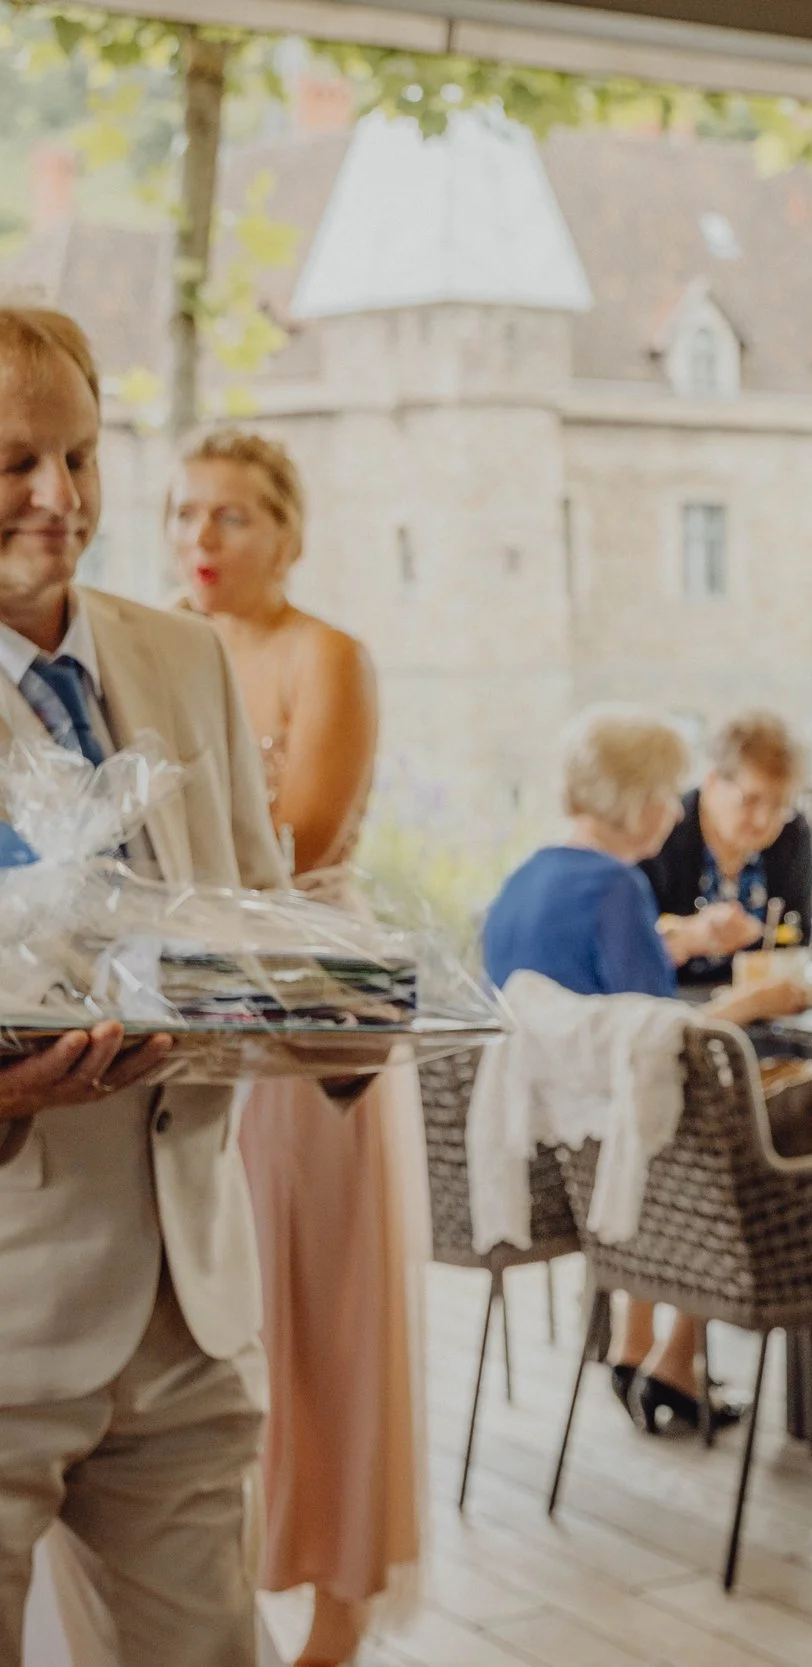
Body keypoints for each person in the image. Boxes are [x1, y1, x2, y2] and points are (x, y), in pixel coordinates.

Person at [0, 307, 283, 1667]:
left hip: (187, 1310)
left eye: (80, 458)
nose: (59, 502)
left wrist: (340, 1023)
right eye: (11, 465)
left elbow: (264, 908)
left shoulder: (183, 656)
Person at [172, 429, 423, 1667]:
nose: (199, 542)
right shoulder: (155, 647)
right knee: (215, 1310)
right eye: (182, 514)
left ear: (287, 530)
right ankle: (214, 1585)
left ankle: (337, 1607)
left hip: (312, 1014)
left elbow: (294, 840)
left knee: (321, 1306)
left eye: (228, 516)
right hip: (186, 1018)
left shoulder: (329, 656)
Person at [480, 706, 810, 1434]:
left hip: (564, 1153)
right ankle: (670, 1361)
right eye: (667, 791)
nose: (676, 809)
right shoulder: (614, 889)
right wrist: (751, 1000)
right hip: (638, 1172)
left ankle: (641, 1350)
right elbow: (666, 1039)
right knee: (740, 1133)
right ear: (636, 801)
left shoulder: (519, 884)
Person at [641, 711, 812, 983]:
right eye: (751, 800)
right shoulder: (663, 827)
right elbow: (628, 945)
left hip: (761, 1008)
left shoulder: (793, 833)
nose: (764, 820)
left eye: (779, 804)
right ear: (712, 782)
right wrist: (689, 935)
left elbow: (798, 935)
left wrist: (760, 934)